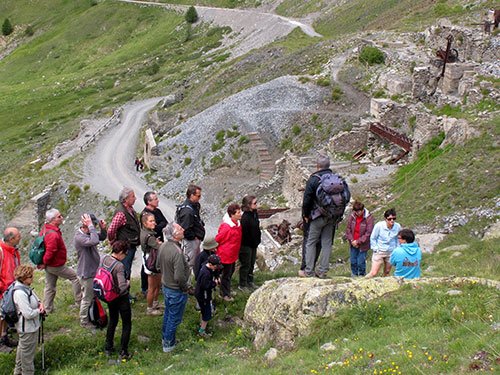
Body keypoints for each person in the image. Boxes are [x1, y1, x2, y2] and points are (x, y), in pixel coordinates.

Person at [302, 155, 350, 278]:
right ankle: (322, 271)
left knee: (311, 242)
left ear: (317, 166)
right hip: (333, 216)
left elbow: (307, 200)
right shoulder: (337, 179)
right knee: (327, 242)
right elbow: (346, 197)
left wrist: (305, 215)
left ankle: (309, 271)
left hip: (317, 216)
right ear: (329, 166)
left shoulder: (314, 179)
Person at [157, 223, 190, 353]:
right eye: (180, 228)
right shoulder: (177, 251)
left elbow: (157, 266)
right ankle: (169, 345)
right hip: (176, 289)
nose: (183, 229)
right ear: (175, 235)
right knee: (174, 318)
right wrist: (185, 287)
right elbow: (179, 276)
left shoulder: (163, 246)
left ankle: (165, 338)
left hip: (166, 286)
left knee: (168, 313)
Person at [40, 209, 82, 314]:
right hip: (55, 265)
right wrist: (44, 263)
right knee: (75, 277)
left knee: (50, 286)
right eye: (59, 216)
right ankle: (79, 301)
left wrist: (44, 263)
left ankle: (48, 308)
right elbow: (51, 251)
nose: (62, 217)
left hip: (49, 265)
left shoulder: (46, 229)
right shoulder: (53, 235)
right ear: (53, 220)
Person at [74, 213, 107, 328]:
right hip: (86, 272)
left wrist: (103, 229)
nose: (94, 227)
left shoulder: (89, 233)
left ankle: (93, 315)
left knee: (92, 296)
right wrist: (91, 226)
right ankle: (84, 321)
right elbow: (94, 241)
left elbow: (101, 237)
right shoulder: (79, 237)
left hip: (92, 270)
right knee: (87, 298)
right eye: (93, 224)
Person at [12, 264, 45, 375]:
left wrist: (39, 303)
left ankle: (17, 371)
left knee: (22, 349)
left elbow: (35, 298)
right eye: (30, 276)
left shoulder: (24, 287)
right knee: (28, 356)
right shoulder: (20, 293)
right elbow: (28, 314)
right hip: (28, 328)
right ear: (23, 278)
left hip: (28, 327)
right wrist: (39, 311)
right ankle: (28, 372)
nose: (32, 278)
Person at [103, 240, 132, 361]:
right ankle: (124, 351)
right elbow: (122, 288)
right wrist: (127, 283)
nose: (125, 256)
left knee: (113, 320)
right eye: (125, 254)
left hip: (109, 296)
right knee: (126, 323)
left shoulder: (104, 258)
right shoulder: (119, 266)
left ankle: (108, 347)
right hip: (121, 298)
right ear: (120, 252)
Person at [108, 187, 141, 281]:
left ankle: (126, 291)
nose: (135, 198)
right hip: (125, 247)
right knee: (124, 269)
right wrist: (113, 241)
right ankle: (123, 292)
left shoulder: (129, 209)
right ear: (126, 199)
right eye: (133, 196)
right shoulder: (121, 213)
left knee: (127, 268)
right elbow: (111, 230)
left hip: (130, 245)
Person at [141, 191, 168, 297]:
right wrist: (158, 227)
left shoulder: (157, 211)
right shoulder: (144, 214)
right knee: (148, 264)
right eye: (155, 199)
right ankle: (145, 287)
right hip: (151, 243)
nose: (158, 200)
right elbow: (151, 227)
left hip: (159, 238)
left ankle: (158, 285)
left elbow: (164, 222)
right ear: (149, 201)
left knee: (158, 263)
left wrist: (157, 227)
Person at [215, 204, 242, 302]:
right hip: (225, 255)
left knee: (230, 273)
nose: (240, 214)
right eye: (238, 212)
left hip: (233, 254)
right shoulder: (227, 227)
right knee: (226, 275)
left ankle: (227, 290)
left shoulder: (237, 224)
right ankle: (224, 294)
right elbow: (218, 239)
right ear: (232, 215)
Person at [0, 227, 21, 351]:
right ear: (11, 239)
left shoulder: (13, 250)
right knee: (1, 316)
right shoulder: (2, 251)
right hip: (3, 290)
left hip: (11, 289)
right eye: (18, 236)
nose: (20, 237)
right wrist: (2, 288)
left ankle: (4, 337)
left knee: (6, 314)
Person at [176, 184, 205, 272]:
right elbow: (185, 229)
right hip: (190, 242)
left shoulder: (195, 205)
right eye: (198, 196)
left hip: (195, 239)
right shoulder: (187, 212)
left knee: (196, 261)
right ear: (192, 195)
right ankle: (186, 283)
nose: (200, 198)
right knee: (189, 263)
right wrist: (194, 237)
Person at [366, 208, 401, 278]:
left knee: (387, 272)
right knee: (374, 272)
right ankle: (363, 281)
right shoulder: (379, 226)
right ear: (385, 219)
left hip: (391, 251)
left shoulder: (398, 226)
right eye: (389, 219)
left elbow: (398, 238)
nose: (392, 221)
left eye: (394, 219)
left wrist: (397, 249)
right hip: (380, 251)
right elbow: (373, 238)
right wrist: (376, 249)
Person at [140, 213, 162, 316]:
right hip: (151, 261)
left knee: (157, 284)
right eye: (151, 221)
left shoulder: (147, 232)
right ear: (145, 223)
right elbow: (158, 247)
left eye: (154, 220)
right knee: (152, 286)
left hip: (152, 258)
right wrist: (159, 244)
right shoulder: (149, 236)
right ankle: (150, 308)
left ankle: (155, 303)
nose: (154, 223)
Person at [345, 201, 374, 277]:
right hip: (353, 242)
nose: (358, 213)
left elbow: (368, 233)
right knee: (353, 260)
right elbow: (348, 230)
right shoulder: (352, 216)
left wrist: (358, 241)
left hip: (363, 244)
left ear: (363, 209)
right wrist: (352, 240)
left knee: (360, 261)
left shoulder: (368, 218)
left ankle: (361, 274)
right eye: (356, 211)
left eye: (359, 211)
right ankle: (354, 274)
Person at [195, 254, 221, 338]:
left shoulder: (205, 266)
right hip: (204, 296)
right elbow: (206, 286)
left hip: (200, 294)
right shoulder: (206, 274)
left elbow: (214, 271)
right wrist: (215, 283)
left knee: (203, 310)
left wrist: (217, 276)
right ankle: (202, 331)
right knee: (207, 313)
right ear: (210, 264)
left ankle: (201, 324)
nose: (216, 268)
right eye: (215, 266)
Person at [239, 195, 261, 291]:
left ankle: (250, 281)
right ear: (248, 205)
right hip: (246, 245)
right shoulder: (245, 217)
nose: (257, 205)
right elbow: (245, 234)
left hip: (254, 244)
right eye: (254, 203)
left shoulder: (254, 214)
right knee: (246, 264)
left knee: (251, 263)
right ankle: (242, 284)